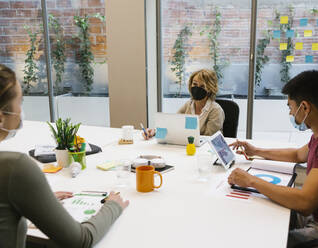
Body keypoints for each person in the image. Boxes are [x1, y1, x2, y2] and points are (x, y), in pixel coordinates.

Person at [228, 70, 318, 247]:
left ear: (304, 107)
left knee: (264, 239)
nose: (290, 113)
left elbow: (305, 202)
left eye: (290, 107)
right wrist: (256, 150)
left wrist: (250, 180)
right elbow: (297, 155)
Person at [0, 64, 129, 248]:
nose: (21, 110)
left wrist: (36, 198)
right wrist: (113, 206)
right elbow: (80, 240)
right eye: (19, 102)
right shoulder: (14, 168)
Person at [143, 69, 225, 139]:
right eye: (195, 84)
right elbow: (173, 125)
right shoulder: (189, 105)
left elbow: (209, 138)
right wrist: (155, 132)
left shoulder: (215, 110)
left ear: (210, 89)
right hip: (187, 147)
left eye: (202, 86)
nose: (197, 88)